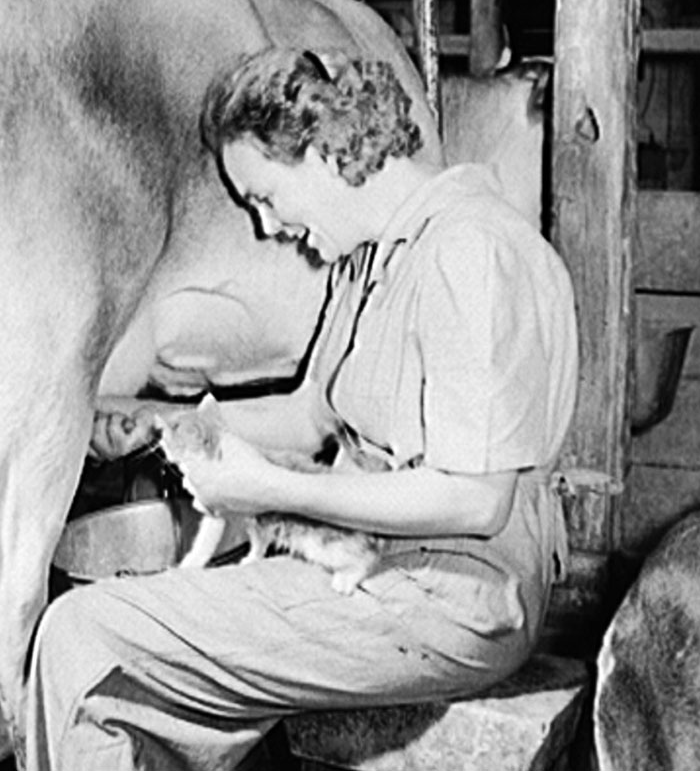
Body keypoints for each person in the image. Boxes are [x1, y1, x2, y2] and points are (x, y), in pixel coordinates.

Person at [25, 49, 578, 771]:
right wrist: (158, 421)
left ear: (321, 153)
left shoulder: (469, 252)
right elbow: (311, 416)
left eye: (263, 195)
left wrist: (268, 490)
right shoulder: (371, 260)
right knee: (131, 676)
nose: (266, 225)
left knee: (82, 635)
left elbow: (475, 499)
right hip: (376, 568)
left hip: (452, 598)